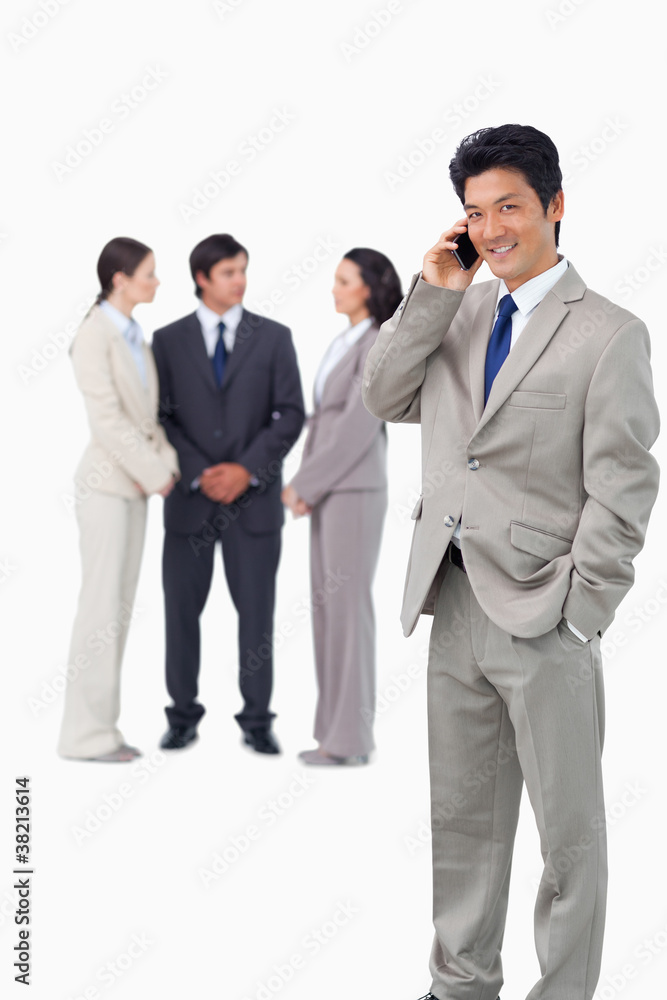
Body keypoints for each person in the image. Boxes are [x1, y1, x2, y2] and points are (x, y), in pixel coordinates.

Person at [362, 125, 660, 1000]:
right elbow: (383, 394)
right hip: (450, 602)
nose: (491, 229)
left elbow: (625, 483)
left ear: (554, 207)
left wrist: (583, 605)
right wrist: (430, 290)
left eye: (509, 208)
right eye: (473, 213)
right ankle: (459, 986)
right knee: (463, 822)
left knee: (566, 834)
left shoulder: (608, 333)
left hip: (544, 612)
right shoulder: (455, 311)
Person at [152, 234, 304, 755]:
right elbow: (161, 416)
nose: (240, 281)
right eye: (229, 273)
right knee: (180, 614)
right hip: (190, 504)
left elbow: (291, 413)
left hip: (254, 503)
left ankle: (257, 719)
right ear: (202, 279)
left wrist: (244, 470)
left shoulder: (274, 337)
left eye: (243, 270)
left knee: (257, 616)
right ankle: (181, 715)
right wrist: (201, 471)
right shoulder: (167, 341)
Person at [59, 237, 179, 762]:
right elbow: (106, 420)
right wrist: (154, 474)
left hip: (135, 487)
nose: (156, 282)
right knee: (100, 609)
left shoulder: (134, 335)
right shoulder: (95, 334)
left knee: (119, 610)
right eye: (149, 274)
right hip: (108, 487)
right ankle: (84, 736)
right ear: (120, 279)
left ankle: (101, 729)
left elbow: (148, 421)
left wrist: (164, 468)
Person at [282, 249, 402, 765]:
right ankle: (333, 733)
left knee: (347, 612)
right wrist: (309, 485)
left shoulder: (377, 342)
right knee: (328, 610)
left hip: (351, 490)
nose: (333, 288)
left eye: (343, 280)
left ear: (369, 289)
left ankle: (349, 741)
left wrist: (304, 483)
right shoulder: (344, 340)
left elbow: (355, 427)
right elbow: (323, 421)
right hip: (331, 490)